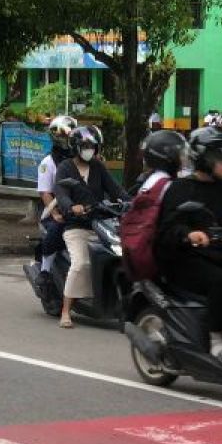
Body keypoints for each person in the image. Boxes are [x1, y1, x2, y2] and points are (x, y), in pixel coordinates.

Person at [155, 127, 222, 366]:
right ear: (202, 158)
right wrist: (189, 234)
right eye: (221, 158)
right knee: (221, 279)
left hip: (220, 253)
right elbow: (166, 231)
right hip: (185, 259)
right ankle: (216, 338)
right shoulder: (180, 189)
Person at [54, 125, 127, 328]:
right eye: (86, 146)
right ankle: (66, 311)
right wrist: (71, 207)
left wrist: (131, 203)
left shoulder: (98, 167)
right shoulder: (65, 167)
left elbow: (116, 190)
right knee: (81, 264)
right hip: (76, 227)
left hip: (100, 224)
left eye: (93, 146)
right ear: (76, 147)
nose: (90, 150)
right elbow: (60, 193)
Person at [35, 115, 77, 286]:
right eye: (62, 134)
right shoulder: (48, 163)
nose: (66, 138)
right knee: (57, 230)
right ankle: (45, 271)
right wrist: (55, 213)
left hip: (77, 207)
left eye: (69, 134)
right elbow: (45, 192)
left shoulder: (78, 158)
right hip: (54, 208)